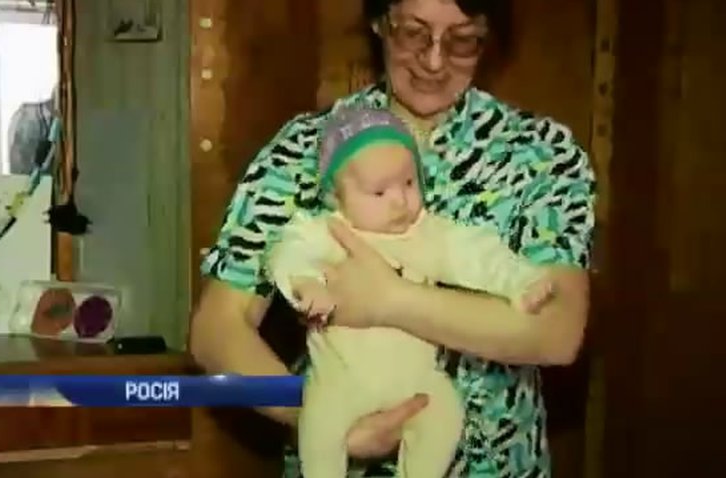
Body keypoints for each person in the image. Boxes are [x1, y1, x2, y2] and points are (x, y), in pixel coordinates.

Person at [192, 0, 596, 476]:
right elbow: (216, 329)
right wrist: (314, 416)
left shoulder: (541, 154)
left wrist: (390, 300)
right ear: (380, 22)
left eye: (463, 40)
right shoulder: (304, 148)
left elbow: (558, 331)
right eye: (414, 33)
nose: (434, 61)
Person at [268, 107, 554, 478]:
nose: (399, 201)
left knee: (445, 411)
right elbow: (289, 251)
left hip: (416, 381)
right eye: (379, 191)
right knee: (319, 426)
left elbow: (477, 254)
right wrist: (304, 283)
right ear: (336, 197)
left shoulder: (427, 234)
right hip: (341, 381)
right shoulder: (329, 232)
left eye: (408, 183)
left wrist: (520, 282)